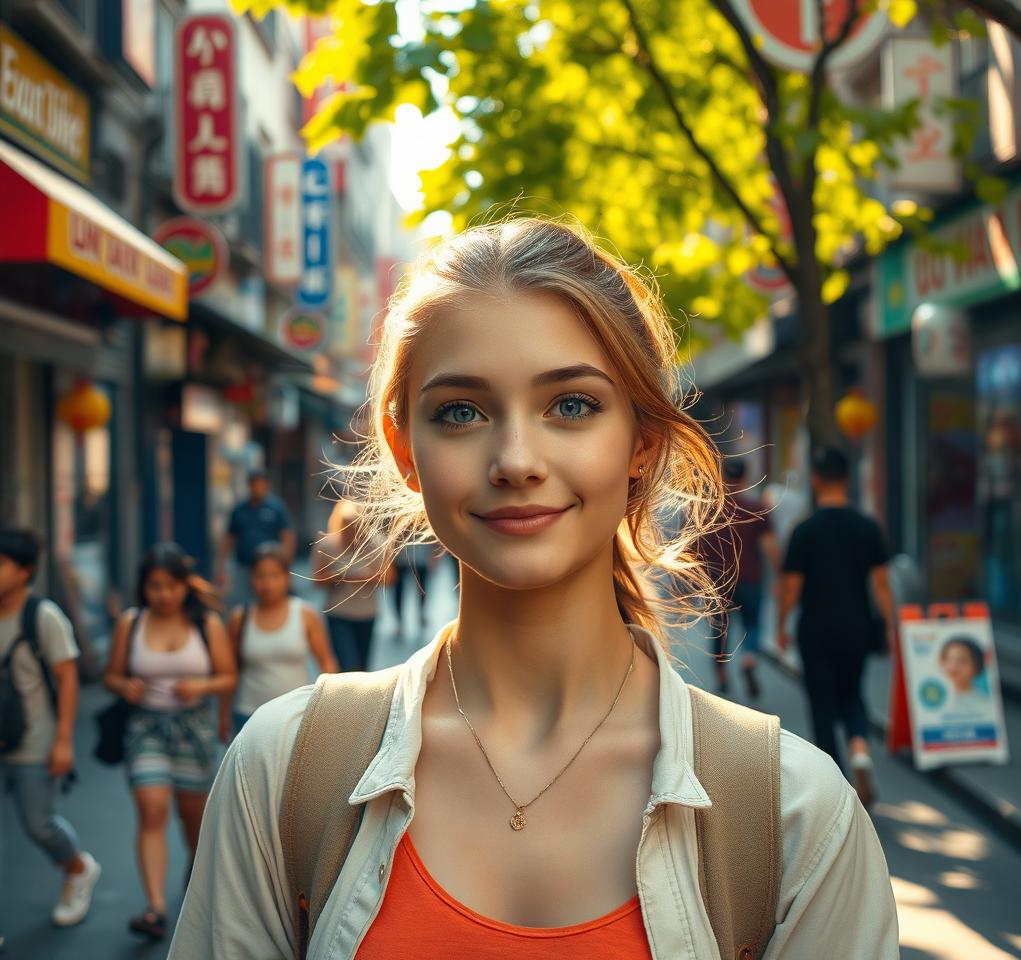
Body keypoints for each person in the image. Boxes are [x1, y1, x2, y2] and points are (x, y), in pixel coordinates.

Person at [170, 219, 898, 959]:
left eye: (572, 405)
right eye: (462, 411)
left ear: (642, 442)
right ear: (405, 450)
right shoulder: (283, 771)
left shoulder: (795, 820)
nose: (516, 459)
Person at [103, 543, 236, 941]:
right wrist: (123, 685)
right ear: (144, 588)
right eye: (155, 586)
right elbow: (111, 675)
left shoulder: (206, 624)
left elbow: (228, 676)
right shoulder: (132, 622)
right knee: (151, 807)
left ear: (184, 586)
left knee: (193, 822)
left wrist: (201, 685)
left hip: (193, 731)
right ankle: (155, 908)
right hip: (146, 728)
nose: (164, 594)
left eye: (172, 586)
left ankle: (194, 882)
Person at [776, 446, 895, 810]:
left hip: (817, 630)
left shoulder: (805, 531)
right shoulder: (867, 527)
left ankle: (839, 789)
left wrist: (782, 624)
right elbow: (881, 585)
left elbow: (792, 587)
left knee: (822, 704)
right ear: (847, 479)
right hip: (858, 628)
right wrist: (889, 627)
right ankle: (859, 746)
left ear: (816, 479)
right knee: (853, 693)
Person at [0, 528, 101, 928]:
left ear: (25, 571)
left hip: (34, 741)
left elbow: (68, 678)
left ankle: (77, 868)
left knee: (39, 826)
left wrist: (63, 741)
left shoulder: (42, 616)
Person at [221, 542, 338, 740]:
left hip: (296, 715)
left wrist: (329, 709)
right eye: (260, 576)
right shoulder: (240, 618)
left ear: (286, 577)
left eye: (274, 575)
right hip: (249, 715)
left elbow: (326, 663)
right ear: (251, 578)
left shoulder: (305, 614)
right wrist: (223, 716)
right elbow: (229, 672)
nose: (267, 584)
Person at [701, 458, 779, 699]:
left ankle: (722, 675)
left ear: (722, 478)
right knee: (753, 625)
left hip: (717, 582)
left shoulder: (707, 511)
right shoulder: (756, 509)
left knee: (719, 630)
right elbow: (770, 549)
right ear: (745, 478)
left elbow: (695, 550)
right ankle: (748, 658)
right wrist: (781, 576)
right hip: (750, 579)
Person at [313, 497, 393, 672]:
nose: (351, 530)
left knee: (362, 669)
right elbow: (316, 580)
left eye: (356, 525)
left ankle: (358, 699)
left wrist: (365, 577)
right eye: (347, 525)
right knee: (348, 666)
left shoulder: (378, 543)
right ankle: (344, 698)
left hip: (367, 613)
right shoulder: (327, 544)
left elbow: (389, 579)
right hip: (338, 612)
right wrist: (338, 576)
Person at [216, 470, 295, 609]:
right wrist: (221, 567)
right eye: (254, 484)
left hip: (270, 566)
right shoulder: (239, 510)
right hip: (244, 566)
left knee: (271, 598)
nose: (257, 488)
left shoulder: (277, 508)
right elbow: (229, 539)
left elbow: (287, 536)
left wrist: (286, 563)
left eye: (261, 484)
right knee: (243, 603)